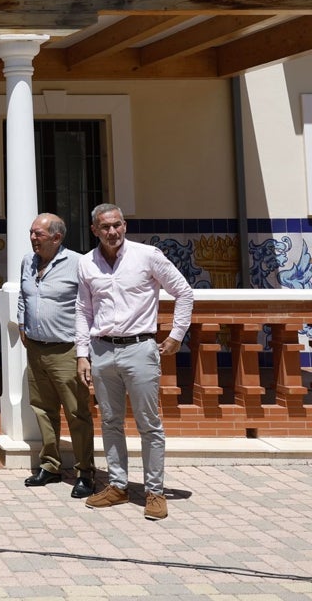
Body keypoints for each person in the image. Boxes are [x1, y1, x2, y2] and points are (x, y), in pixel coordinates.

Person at [76, 203, 194, 521]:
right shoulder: (86, 264)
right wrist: (82, 354)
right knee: (111, 421)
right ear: (94, 230)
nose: (112, 231)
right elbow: (83, 311)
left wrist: (177, 334)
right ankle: (118, 485)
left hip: (140, 349)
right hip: (101, 351)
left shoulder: (148, 255)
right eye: (105, 227)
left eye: (116, 225)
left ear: (124, 226)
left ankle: (154, 491)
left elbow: (184, 292)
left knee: (148, 424)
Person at [17, 213, 95, 499]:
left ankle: (85, 471)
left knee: (77, 413)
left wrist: (84, 351)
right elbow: (24, 296)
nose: (33, 237)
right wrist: (22, 323)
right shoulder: (28, 261)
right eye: (32, 232)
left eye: (39, 233)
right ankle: (50, 465)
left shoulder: (77, 263)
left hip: (67, 350)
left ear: (57, 237)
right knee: (42, 408)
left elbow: (88, 305)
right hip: (36, 348)